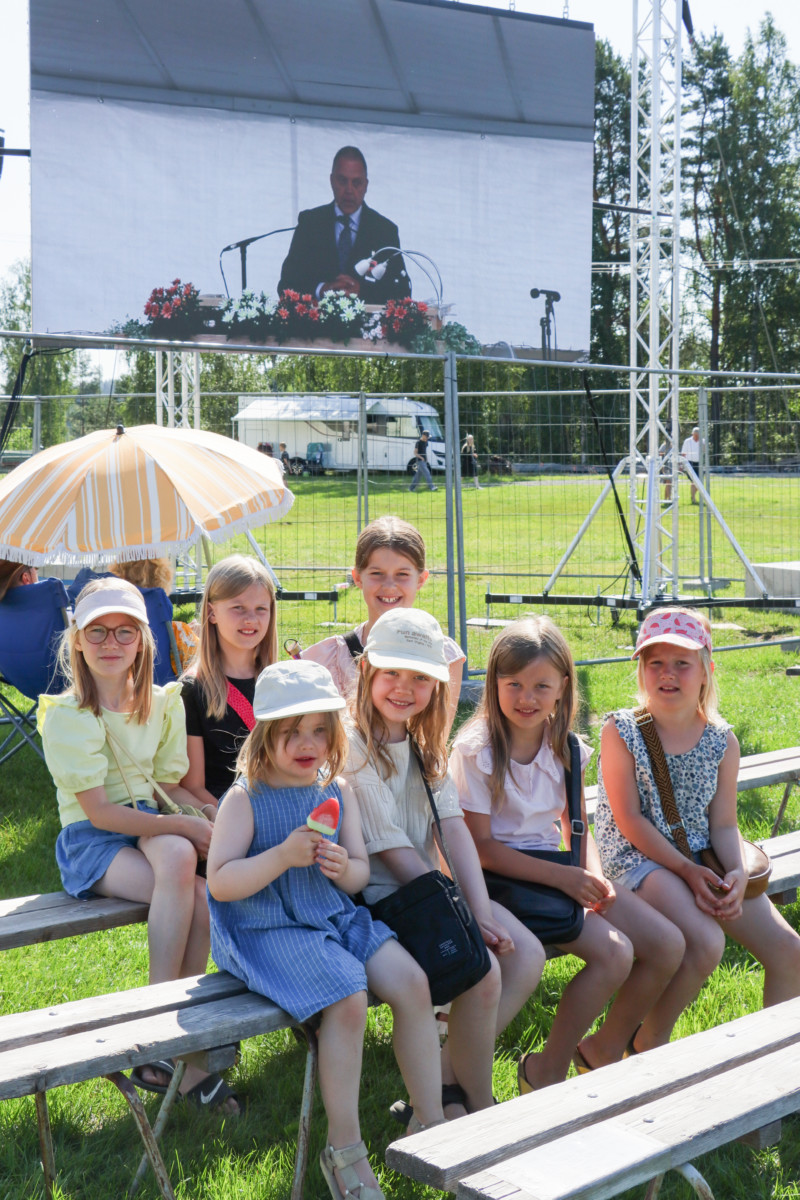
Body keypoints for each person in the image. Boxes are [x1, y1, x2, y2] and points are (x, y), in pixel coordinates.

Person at [207, 660, 446, 1200]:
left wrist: (343, 868)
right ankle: (344, 1148)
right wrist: (280, 856)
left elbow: (358, 872)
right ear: (264, 735)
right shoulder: (246, 799)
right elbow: (220, 883)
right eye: (292, 732)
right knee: (349, 994)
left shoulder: (335, 790)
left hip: (332, 915)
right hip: (266, 927)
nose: (307, 744)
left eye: (319, 730)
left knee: (412, 982)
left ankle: (430, 1121)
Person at [450, 617, 683, 1088]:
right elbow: (481, 850)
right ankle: (538, 1072)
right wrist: (564, 878)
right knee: (615, 954)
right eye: (514, 684)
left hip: (552, 877)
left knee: (666, 945)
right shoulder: (476, 751)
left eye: (541, 685)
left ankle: (583, 1056)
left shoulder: (568, 749)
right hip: (492, 887)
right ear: (494, 683)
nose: (527, 698)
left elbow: (575, 826)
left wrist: (592, 876)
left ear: (562, 688)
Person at [37, 579, 237, 1112]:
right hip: (93, 841)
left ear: (143, 641)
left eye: (125, 631)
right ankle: (156, 1029)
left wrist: (203, 815)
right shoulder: (70, 715)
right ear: (77, 641)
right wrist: (180, 829)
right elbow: (100, 813)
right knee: (182, 861)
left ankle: (179, 1046)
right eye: (97, 632)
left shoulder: (162, 704)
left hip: (148, 823)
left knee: (197, 890)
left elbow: (166, 785)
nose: (111, 642)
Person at [343, 609, 545, 1120]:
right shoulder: (351, 743)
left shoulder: (421, 741)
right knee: (484, 969)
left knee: (525, 953)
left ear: (436, 684)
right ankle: (477, 1108)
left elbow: (453, 829)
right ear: (366, 669)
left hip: (426, 891)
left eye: (419, 677)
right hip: (378, 903)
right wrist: (465, 917)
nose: (404, 688)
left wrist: (482, 911)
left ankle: (445, 1083)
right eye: (391, 672)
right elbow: (390, 849)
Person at [595, 607, 800, 1055]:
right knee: (705, 942)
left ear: (706, 670)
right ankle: (647, 1046)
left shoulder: (722, 740)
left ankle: (771, 1067)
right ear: (641, 669)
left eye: (682, 663)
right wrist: (688, 872)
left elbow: (724, 823)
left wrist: (736, 872)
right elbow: (629, 820)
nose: (667, 673)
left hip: (698, 856)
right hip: (636, 858)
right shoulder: (621, 730)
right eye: (655, 662)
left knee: (790, 951)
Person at [302, 516, 465, 730]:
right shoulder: (329, 657)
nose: (389, 585)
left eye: (402, 574)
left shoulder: (445, 656)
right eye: (377, 573)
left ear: (421, 579)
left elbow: (436, 737)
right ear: (357, 578)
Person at [181, 556, 277, 813]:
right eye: (238, 608)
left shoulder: (282, 681)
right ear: (211, 613)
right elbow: (193, 786)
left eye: (261, 609)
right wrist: (242, 822)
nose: (251, 619)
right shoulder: (192, 690)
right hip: (226, 818)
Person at [278, 146, 409, 304]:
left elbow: (402, 292)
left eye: (356, 183)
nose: (349, 190)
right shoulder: (310, 223)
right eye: (342, 181)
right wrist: (322, 289)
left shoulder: (384, 231)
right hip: (316, 318)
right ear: (332, 181)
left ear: (366, 185)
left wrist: (362, 292)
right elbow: (287, 284)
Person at [680, 427, 701, 504]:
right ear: (692, 434)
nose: (696, 436)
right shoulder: (687, 441)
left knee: (699, 482)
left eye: (697, 435)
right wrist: (682, 465)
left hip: (699, 463)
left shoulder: (702, 441)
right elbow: (683, 453)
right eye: (695, 435)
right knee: (693, 481)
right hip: (689, 463)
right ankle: (693, 498)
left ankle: (693, 496)